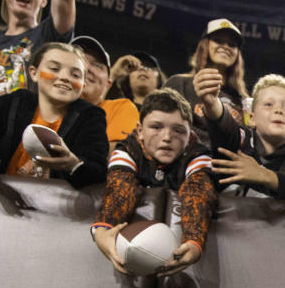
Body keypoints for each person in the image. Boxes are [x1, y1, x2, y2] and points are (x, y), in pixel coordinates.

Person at [90, 89, 215, 276]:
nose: (166, 137)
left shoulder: (197, 154)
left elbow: (197, 192)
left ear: (190, 136)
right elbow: (120, 187)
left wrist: (194, 242)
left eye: (178, 130)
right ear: (139, 131)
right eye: (156, 127)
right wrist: (102, 230)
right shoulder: (128, 150)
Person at [0, 41, 107, 187]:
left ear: (83, 84)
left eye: (75, 75)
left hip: (53, 213)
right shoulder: (10, 104)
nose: (65, 77)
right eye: (54, 69)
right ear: (34, 73)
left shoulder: (91, 117)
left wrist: (73, 164)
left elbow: (98, 174)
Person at [200, 72, 285, 209]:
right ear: (252, 118)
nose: (279, 110)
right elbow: (224, 127)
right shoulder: (242, 138)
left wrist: (263, 175)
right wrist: (212, 104)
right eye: (269, 104)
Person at [164, 18, 250, 141]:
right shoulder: (179, 83)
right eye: (218, 40)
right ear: (205, 45)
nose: (225, 47)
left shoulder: (243, 100)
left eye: (232, 44)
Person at [71, 35, 139, 149]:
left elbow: (118, 152)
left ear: (108, 83)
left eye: (97, 65)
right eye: (79, 61)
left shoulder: (119, 108)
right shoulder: (45, 104)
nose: (87, 68)